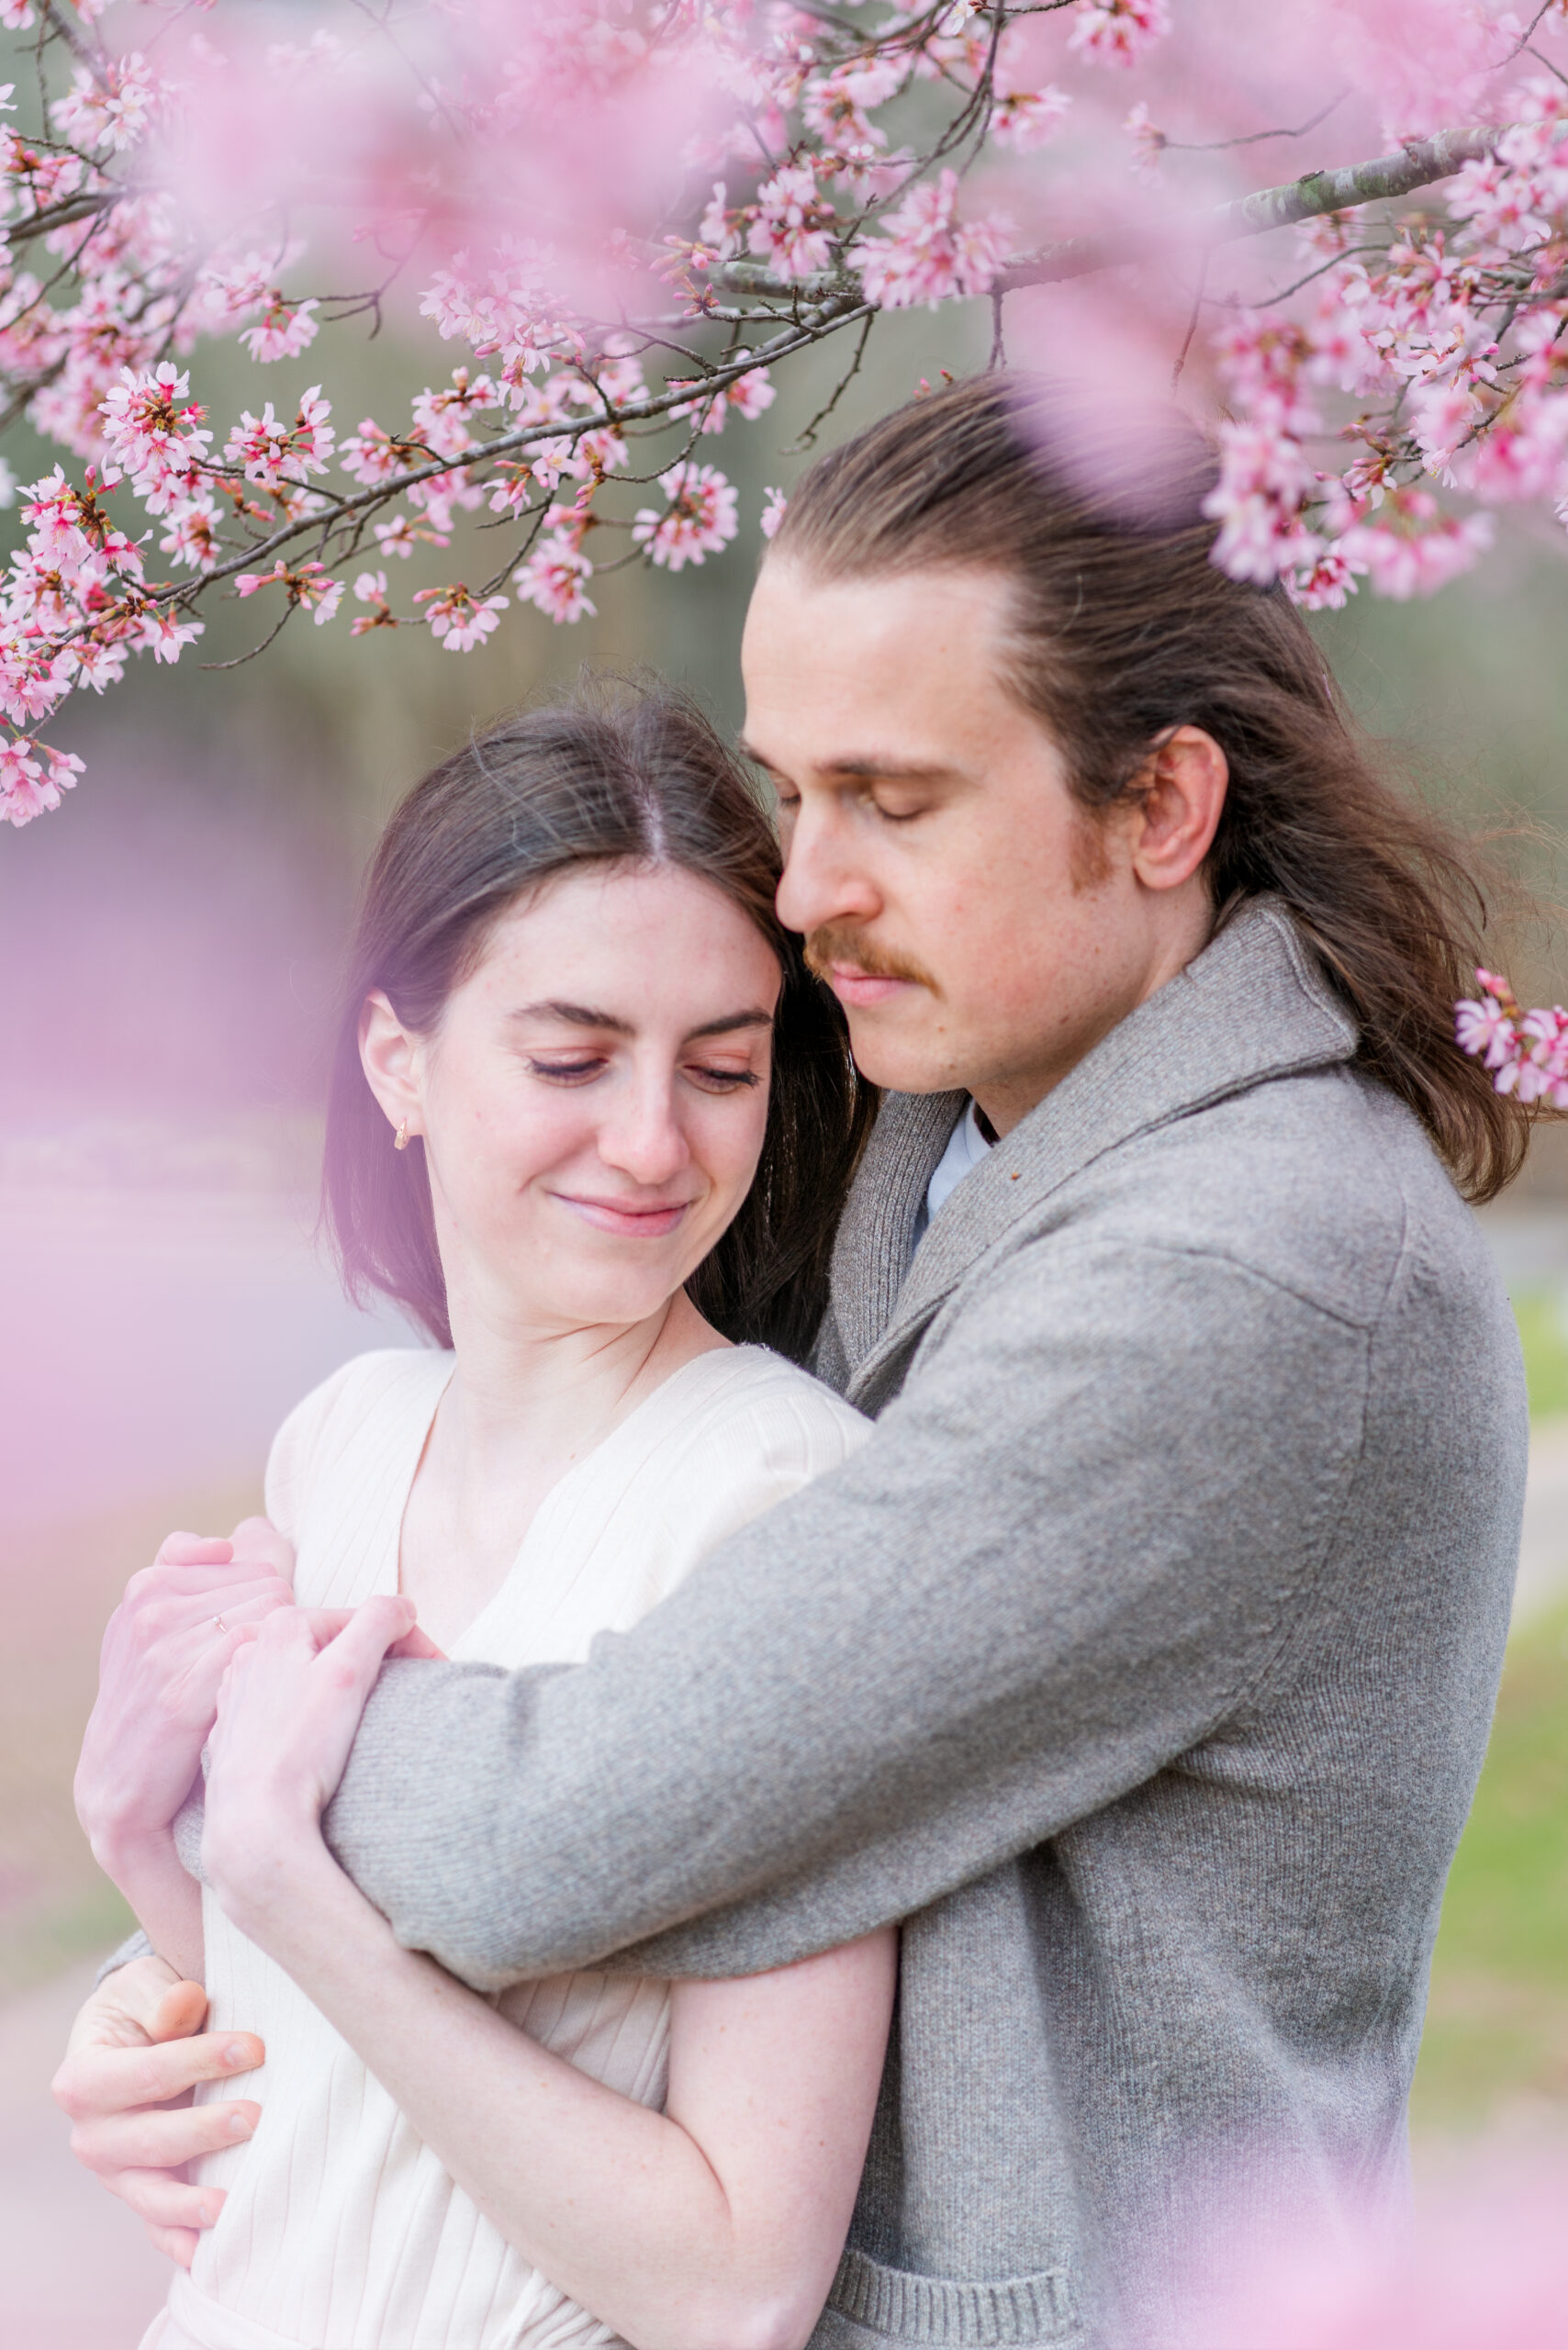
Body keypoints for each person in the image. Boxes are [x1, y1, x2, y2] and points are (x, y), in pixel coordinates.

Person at [59, 374, 1529, 2347]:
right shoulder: (949, 1113)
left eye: (894, 799)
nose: (808, 879)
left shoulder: (1250, 1278)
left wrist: (242, 1717)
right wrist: (171, 1998)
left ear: (1160, 805)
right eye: (795, 784)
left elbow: (562, 1822)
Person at [67, 681, 898, 2350]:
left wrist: (277, 1887)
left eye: (721, 1069)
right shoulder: (346, 1441)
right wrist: (143, 1884)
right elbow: (342, 2090)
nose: (654, 1140)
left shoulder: (784, 1504)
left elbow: (735, 2290)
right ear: (401, 1059)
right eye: (573, 1056)